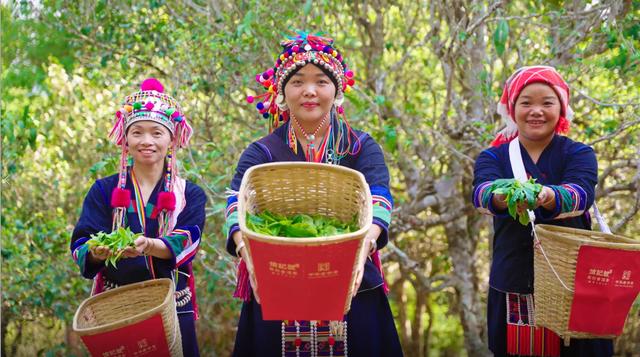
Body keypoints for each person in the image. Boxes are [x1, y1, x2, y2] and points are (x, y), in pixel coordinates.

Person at [224, 31, 403, 357]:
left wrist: (364, 244)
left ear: (336, 91)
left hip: (352, 279)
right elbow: (236, 201)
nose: (309, 91)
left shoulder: (359, 146)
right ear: (280, 93)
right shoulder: (262, 152)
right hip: (276, 279)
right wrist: (244, 248)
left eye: (321, 81)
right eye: (297, 82)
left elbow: (379, 196)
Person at [472, 66, 613, 356]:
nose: (536, 111)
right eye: (526, 103)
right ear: (513, 108)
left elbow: (581, 195)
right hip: (514, 278)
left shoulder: (578, 153)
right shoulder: (493, 156)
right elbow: (481, 193)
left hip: (573, 283)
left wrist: (547, 196)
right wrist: (504, 198)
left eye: (547, 102)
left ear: (561, 108)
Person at [70, 78, 206, 356]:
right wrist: (97, 251)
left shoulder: (188, 193)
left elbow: (189, 240)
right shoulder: (103, 190)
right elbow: (80, 245)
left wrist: (149, 245)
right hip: (116, 308)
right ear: (125, 139)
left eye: (157, 133)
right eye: (137, 133)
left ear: (171, 140)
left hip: (173, 306)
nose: (147, 141)